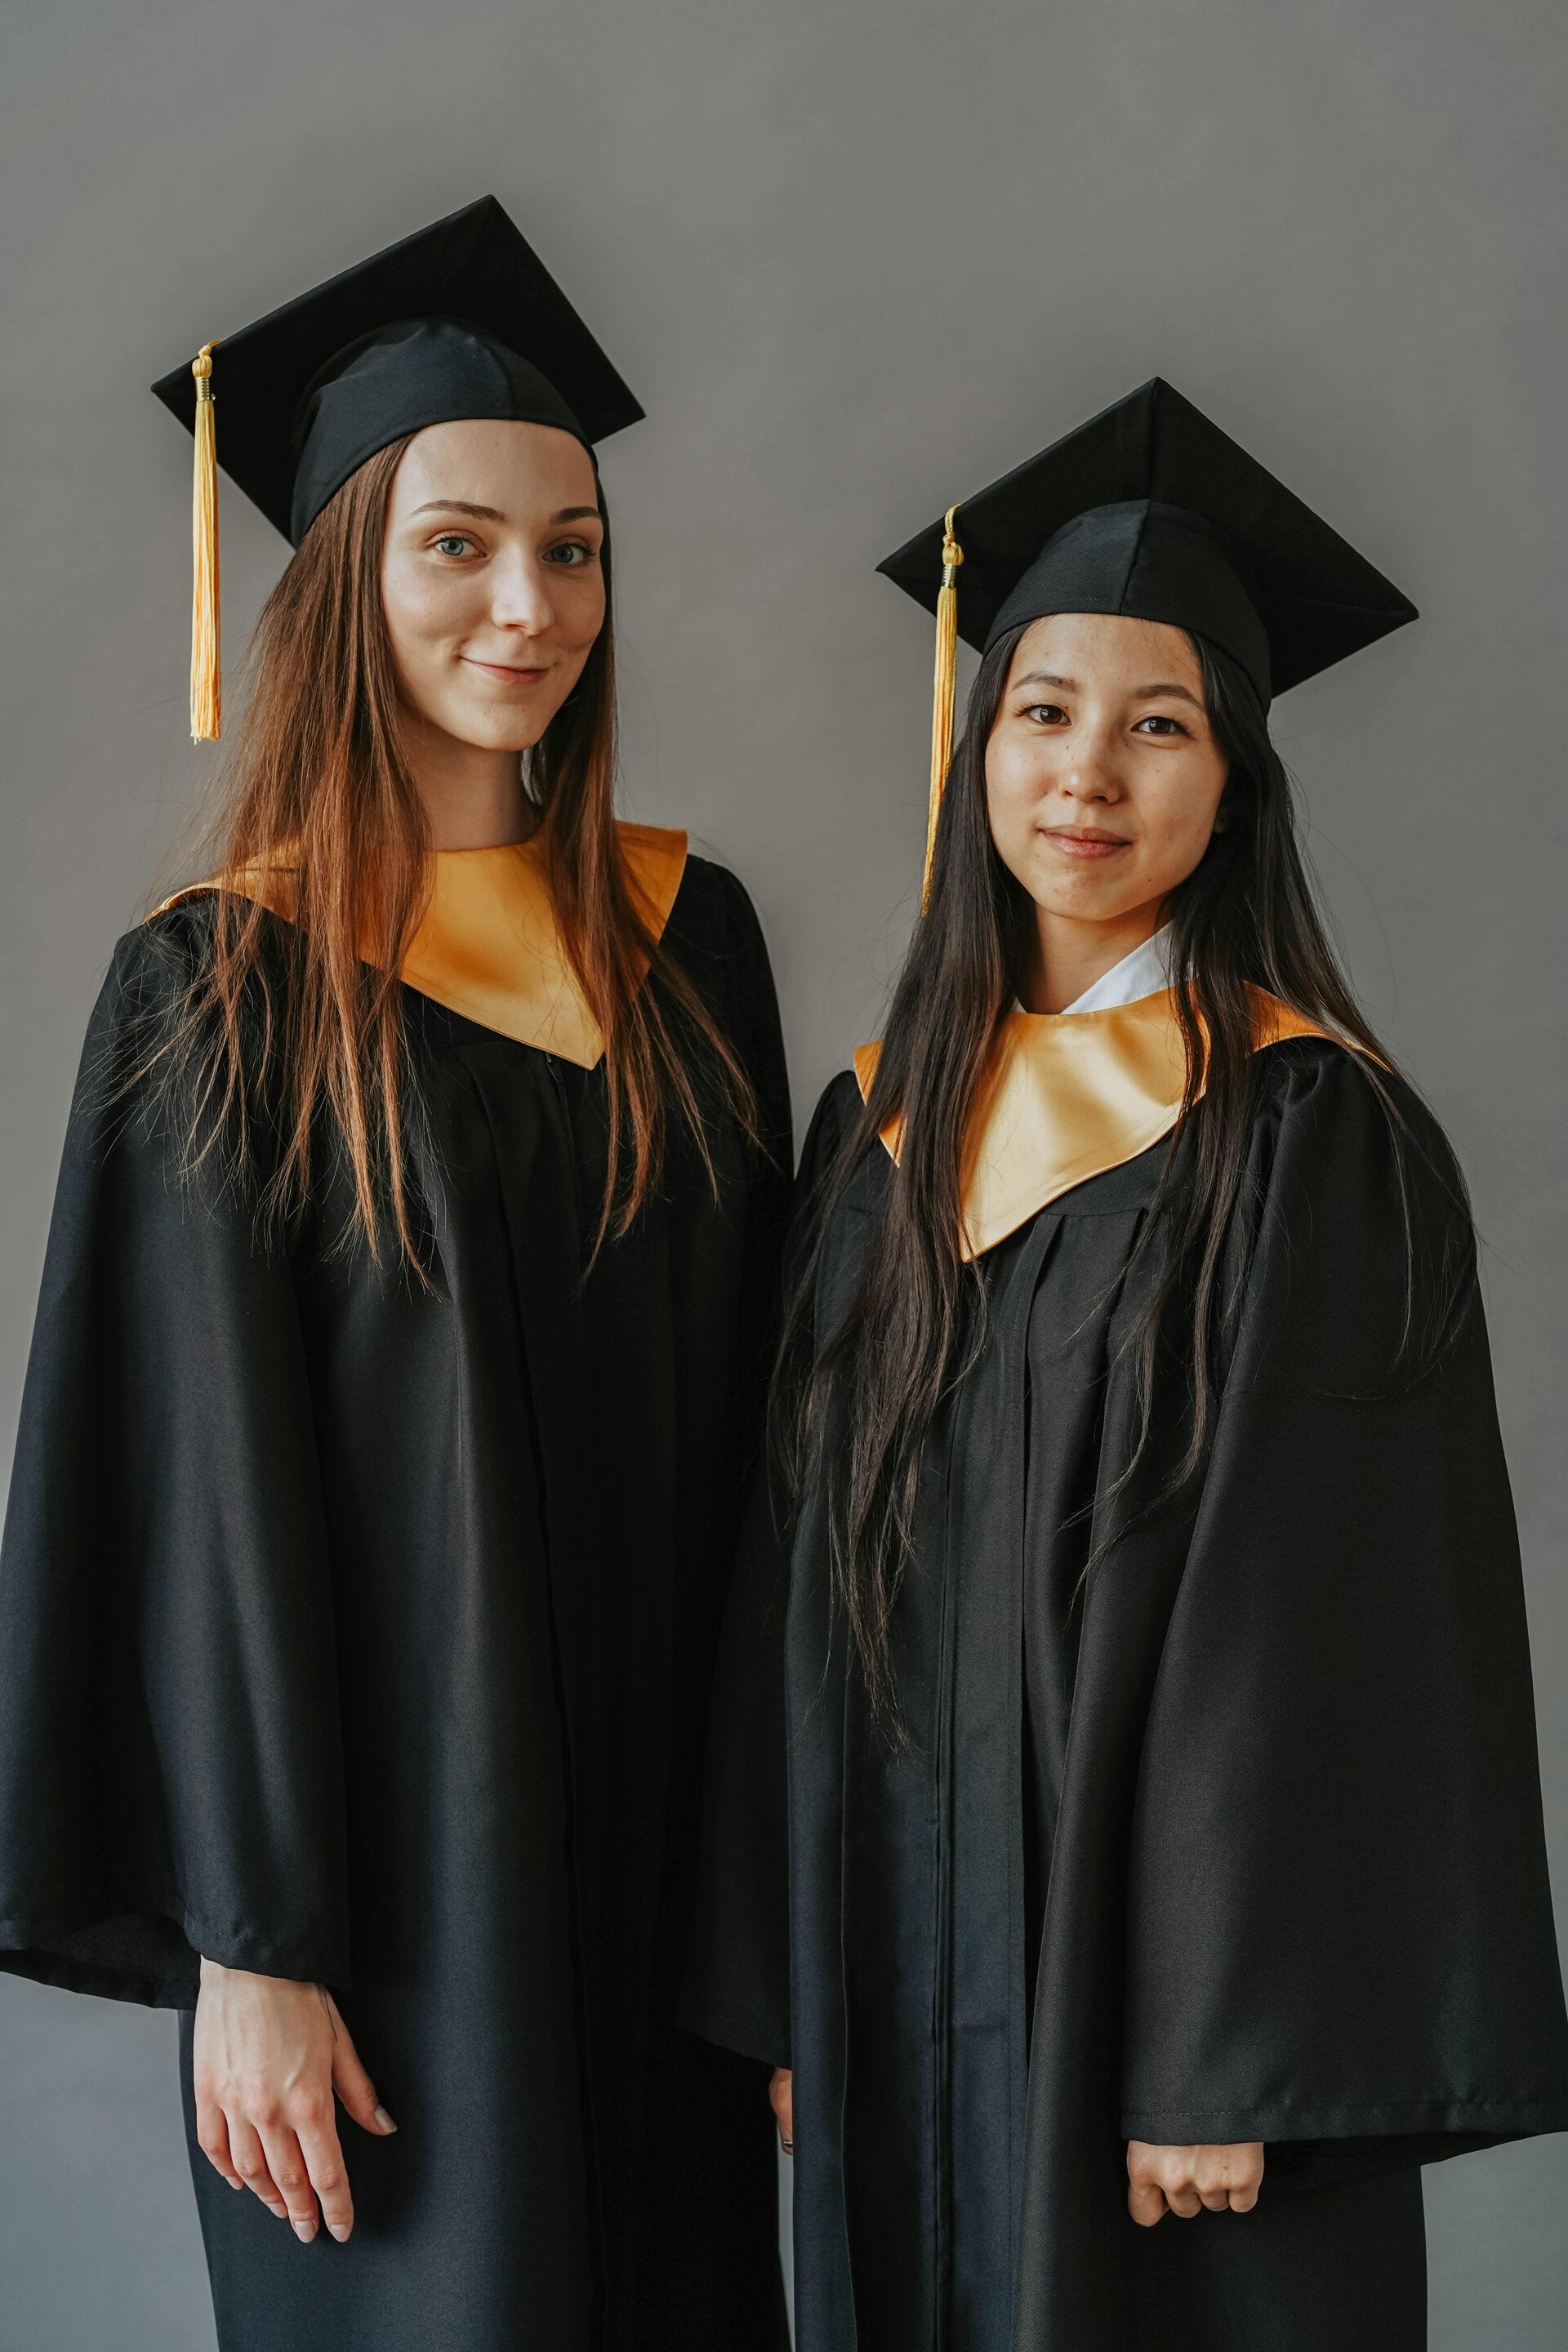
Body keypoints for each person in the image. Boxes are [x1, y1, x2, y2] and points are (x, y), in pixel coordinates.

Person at [684, 377, 1568, 2350]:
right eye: (1044, 711)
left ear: (1234, 780)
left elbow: (1320, 1626)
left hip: (1159, 2050)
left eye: (1159, 724)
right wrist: (798, 1984)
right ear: (980, 746)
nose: (1087, 773)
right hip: (896, 1986)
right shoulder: (876, 1130)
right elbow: (792, 1577)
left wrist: (1223, 2045)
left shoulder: (1305, 1133)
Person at [0, 196, 791, 2352]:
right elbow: (196, 1507)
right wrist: (255, 1943)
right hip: (390, 1922)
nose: (530, 606)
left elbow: (779, 1454)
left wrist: (780, 1921)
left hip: (669, 1910)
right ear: (346, 572)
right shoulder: (221, 986)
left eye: (573, 549)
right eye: (458, 544)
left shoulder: (693, 947)